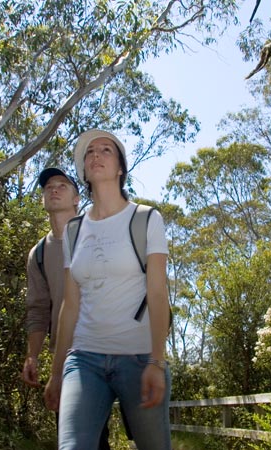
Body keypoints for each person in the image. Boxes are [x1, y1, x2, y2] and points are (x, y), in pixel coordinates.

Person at [44, 129, 172, 449]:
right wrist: (56, 372)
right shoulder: (74, 230)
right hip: (84, 359)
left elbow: (157, 294)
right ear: (84, 170)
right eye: (89, 153)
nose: (96, 155)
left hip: (139, 358)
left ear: (120, 168)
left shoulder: (146, 219)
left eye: (106, 150)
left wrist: (157, 361)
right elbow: (70, 305)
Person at [23, 167, 112, 449]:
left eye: (62, 185)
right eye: (48, 186)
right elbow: (38, 308)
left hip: (106, 351)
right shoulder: (38, 253)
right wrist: (33, 357)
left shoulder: (99, 238)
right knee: (73, 437)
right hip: (65, 359)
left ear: (76, 199)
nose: (54, 189)